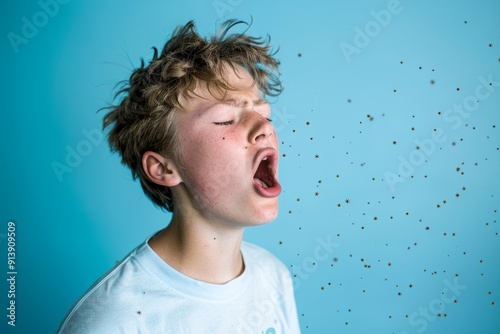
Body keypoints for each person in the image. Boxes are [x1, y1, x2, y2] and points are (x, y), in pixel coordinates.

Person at [57, 19, 300, 333]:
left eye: (265, 114)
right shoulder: (113, 320)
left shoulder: (273, 277)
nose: (265, 128)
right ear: (164, 168)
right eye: (226, 119)